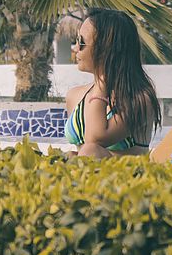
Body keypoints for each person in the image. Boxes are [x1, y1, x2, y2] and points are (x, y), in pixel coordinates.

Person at [64, 8, 161, 158]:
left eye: (82, 42)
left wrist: (102, 83)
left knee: (90, 150)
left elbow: (95, 139)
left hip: (125, 178)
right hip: (85, 177)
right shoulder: (74, 96)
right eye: (76, 40)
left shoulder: (139, 100)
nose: (76, 48)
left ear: (105, 49)